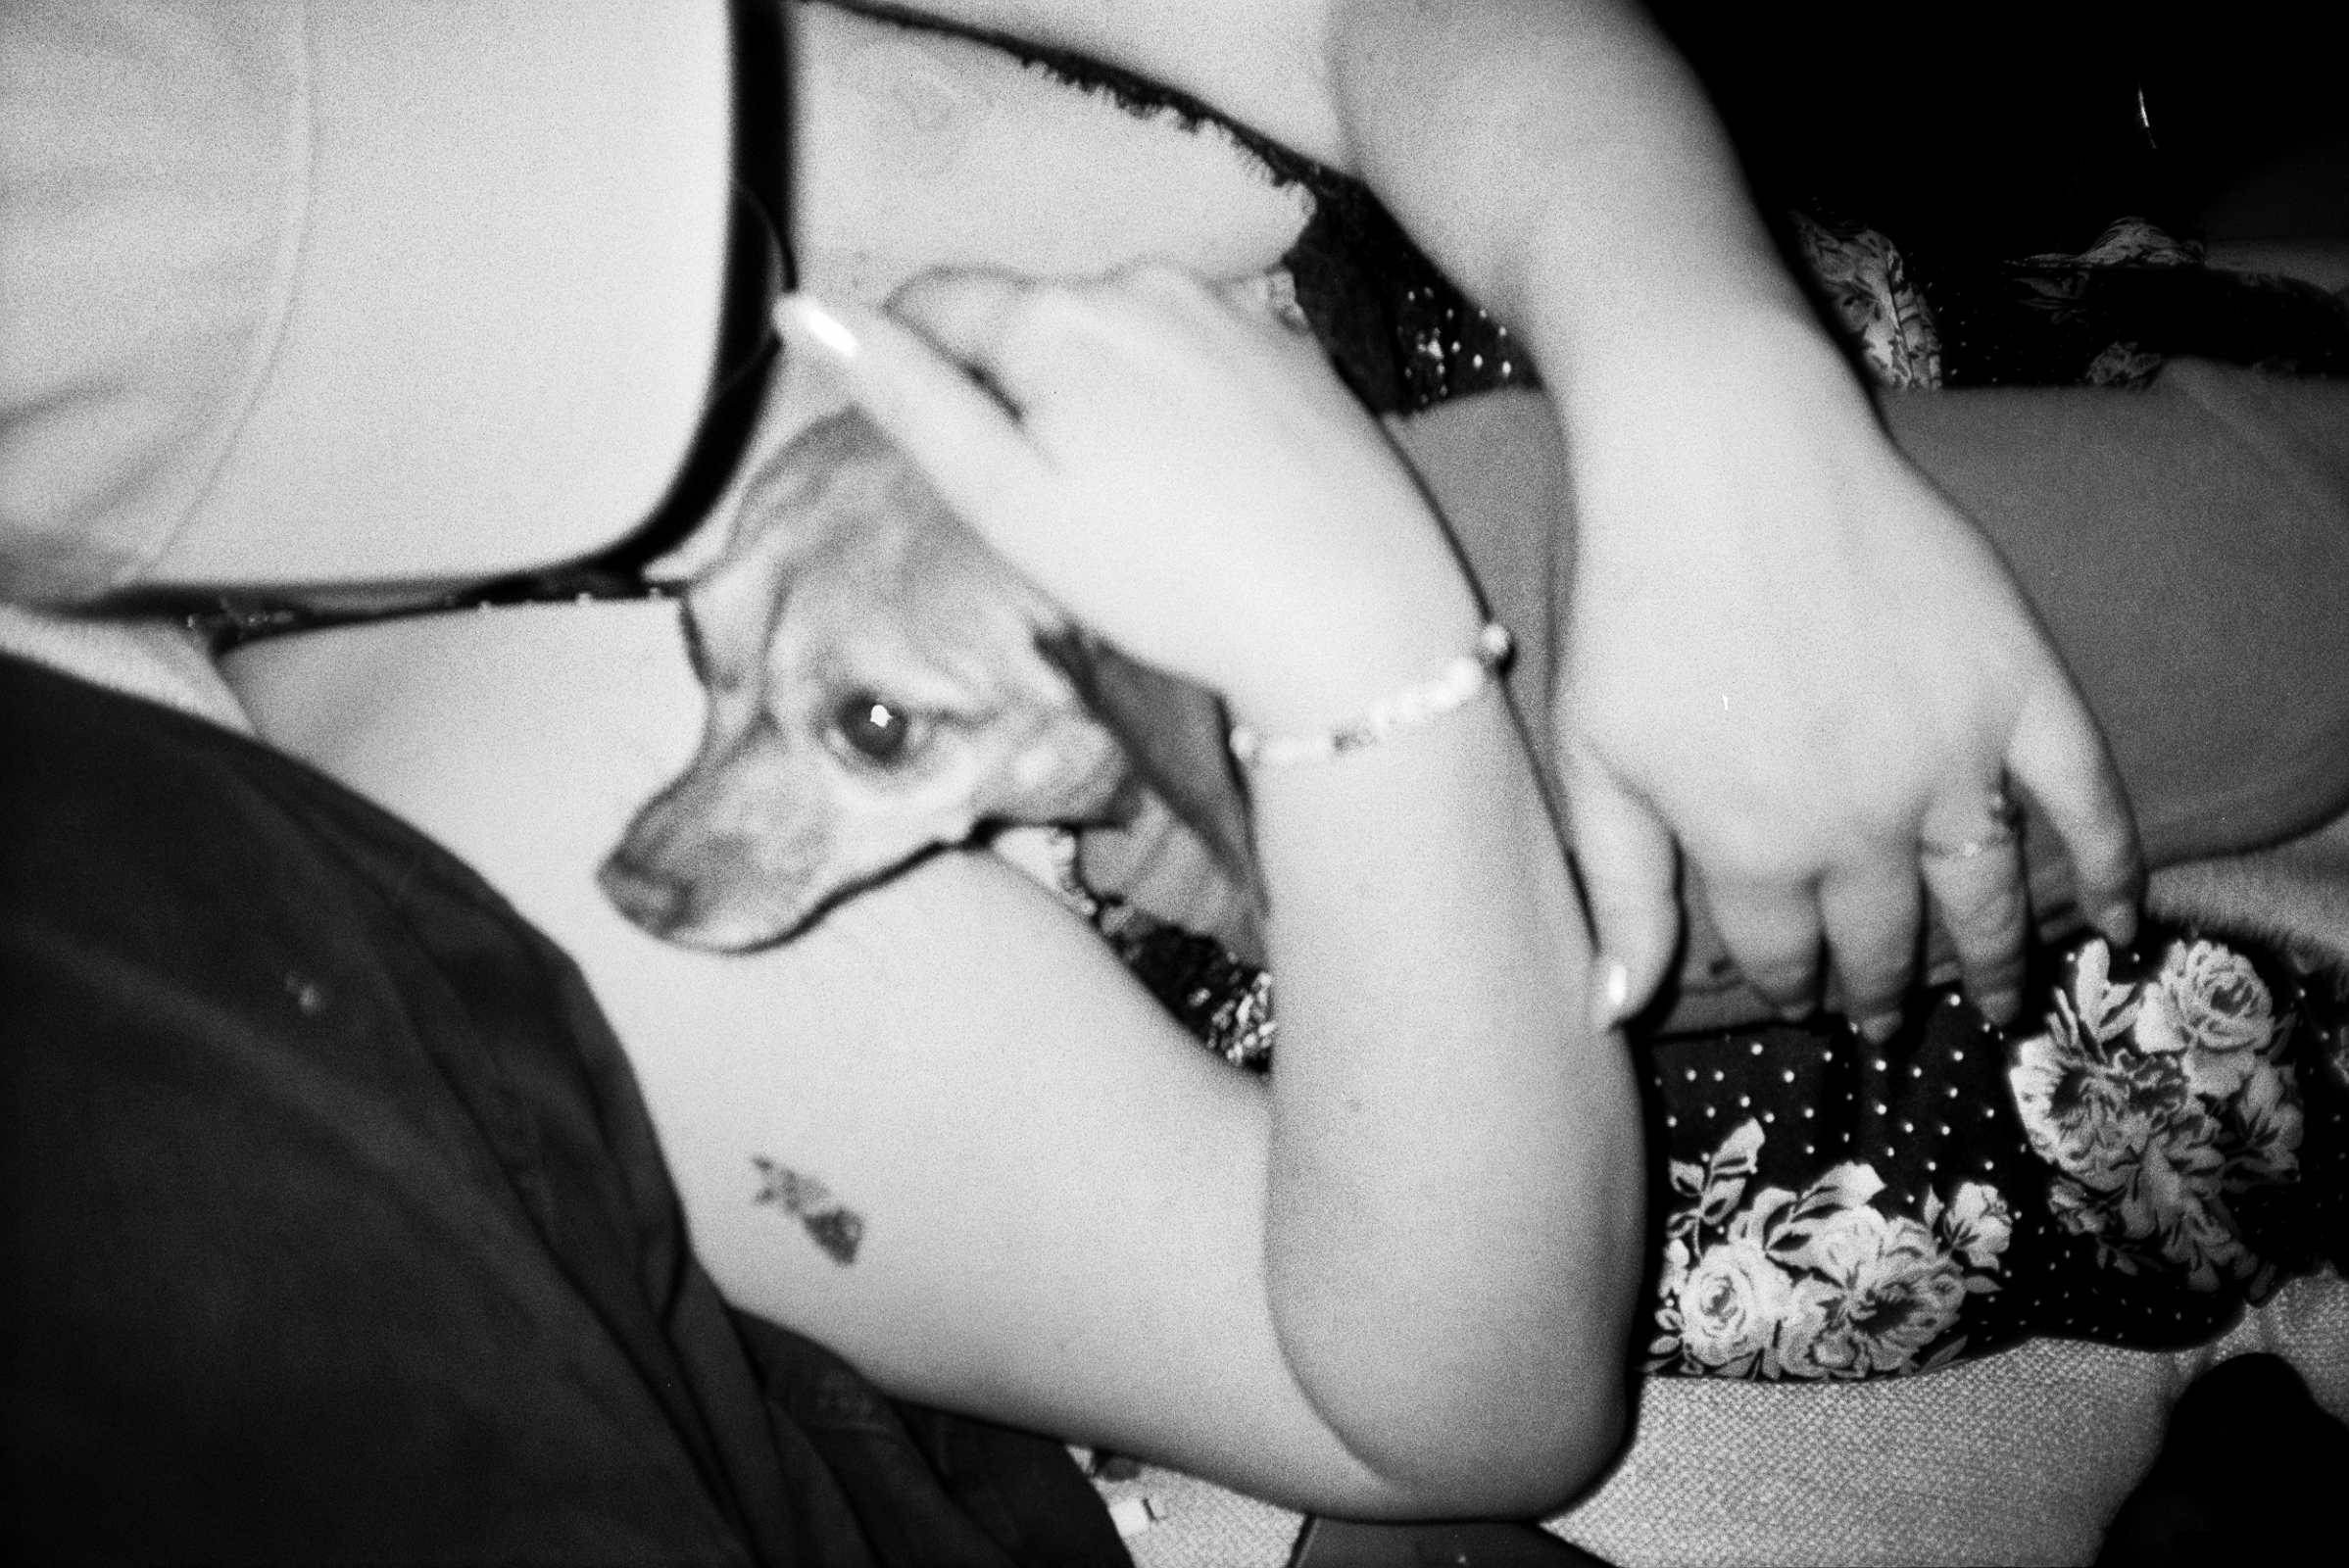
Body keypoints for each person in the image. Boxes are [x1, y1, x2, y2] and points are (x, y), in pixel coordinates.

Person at [5, 0, 2347, 1559]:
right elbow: (1452, 1403)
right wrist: (1371, 671)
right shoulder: (479, 846)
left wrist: (1702, 369)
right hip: (1685, 971)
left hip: (1873, 347)